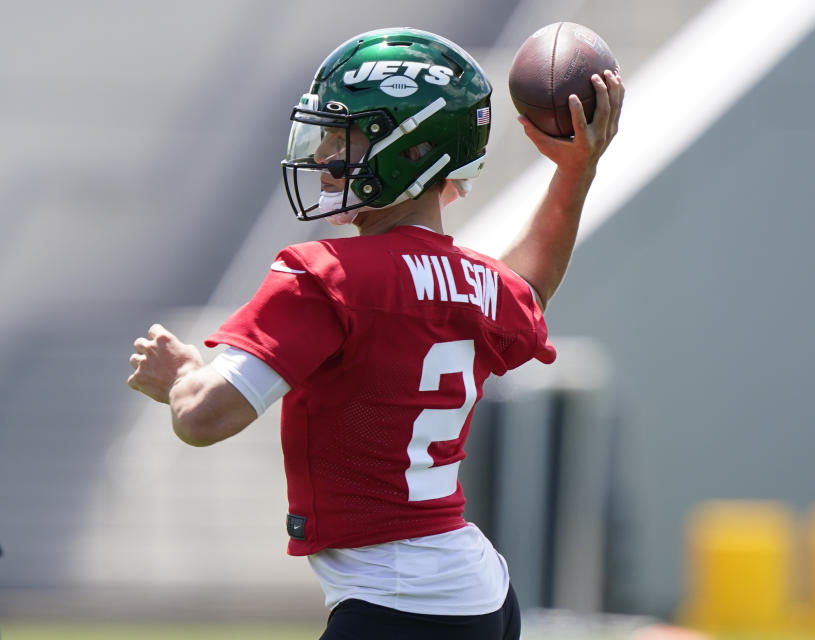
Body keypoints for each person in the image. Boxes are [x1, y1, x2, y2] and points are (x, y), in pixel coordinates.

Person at [128, 27, 623, 640]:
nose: (327, 157)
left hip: (395, 604)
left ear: (411, 150)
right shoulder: (477, 284)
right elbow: (529, 290)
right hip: (481, 598)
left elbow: (204, 418)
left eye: (348, 138)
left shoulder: (325, 276)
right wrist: (575, 173)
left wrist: (181, 377)